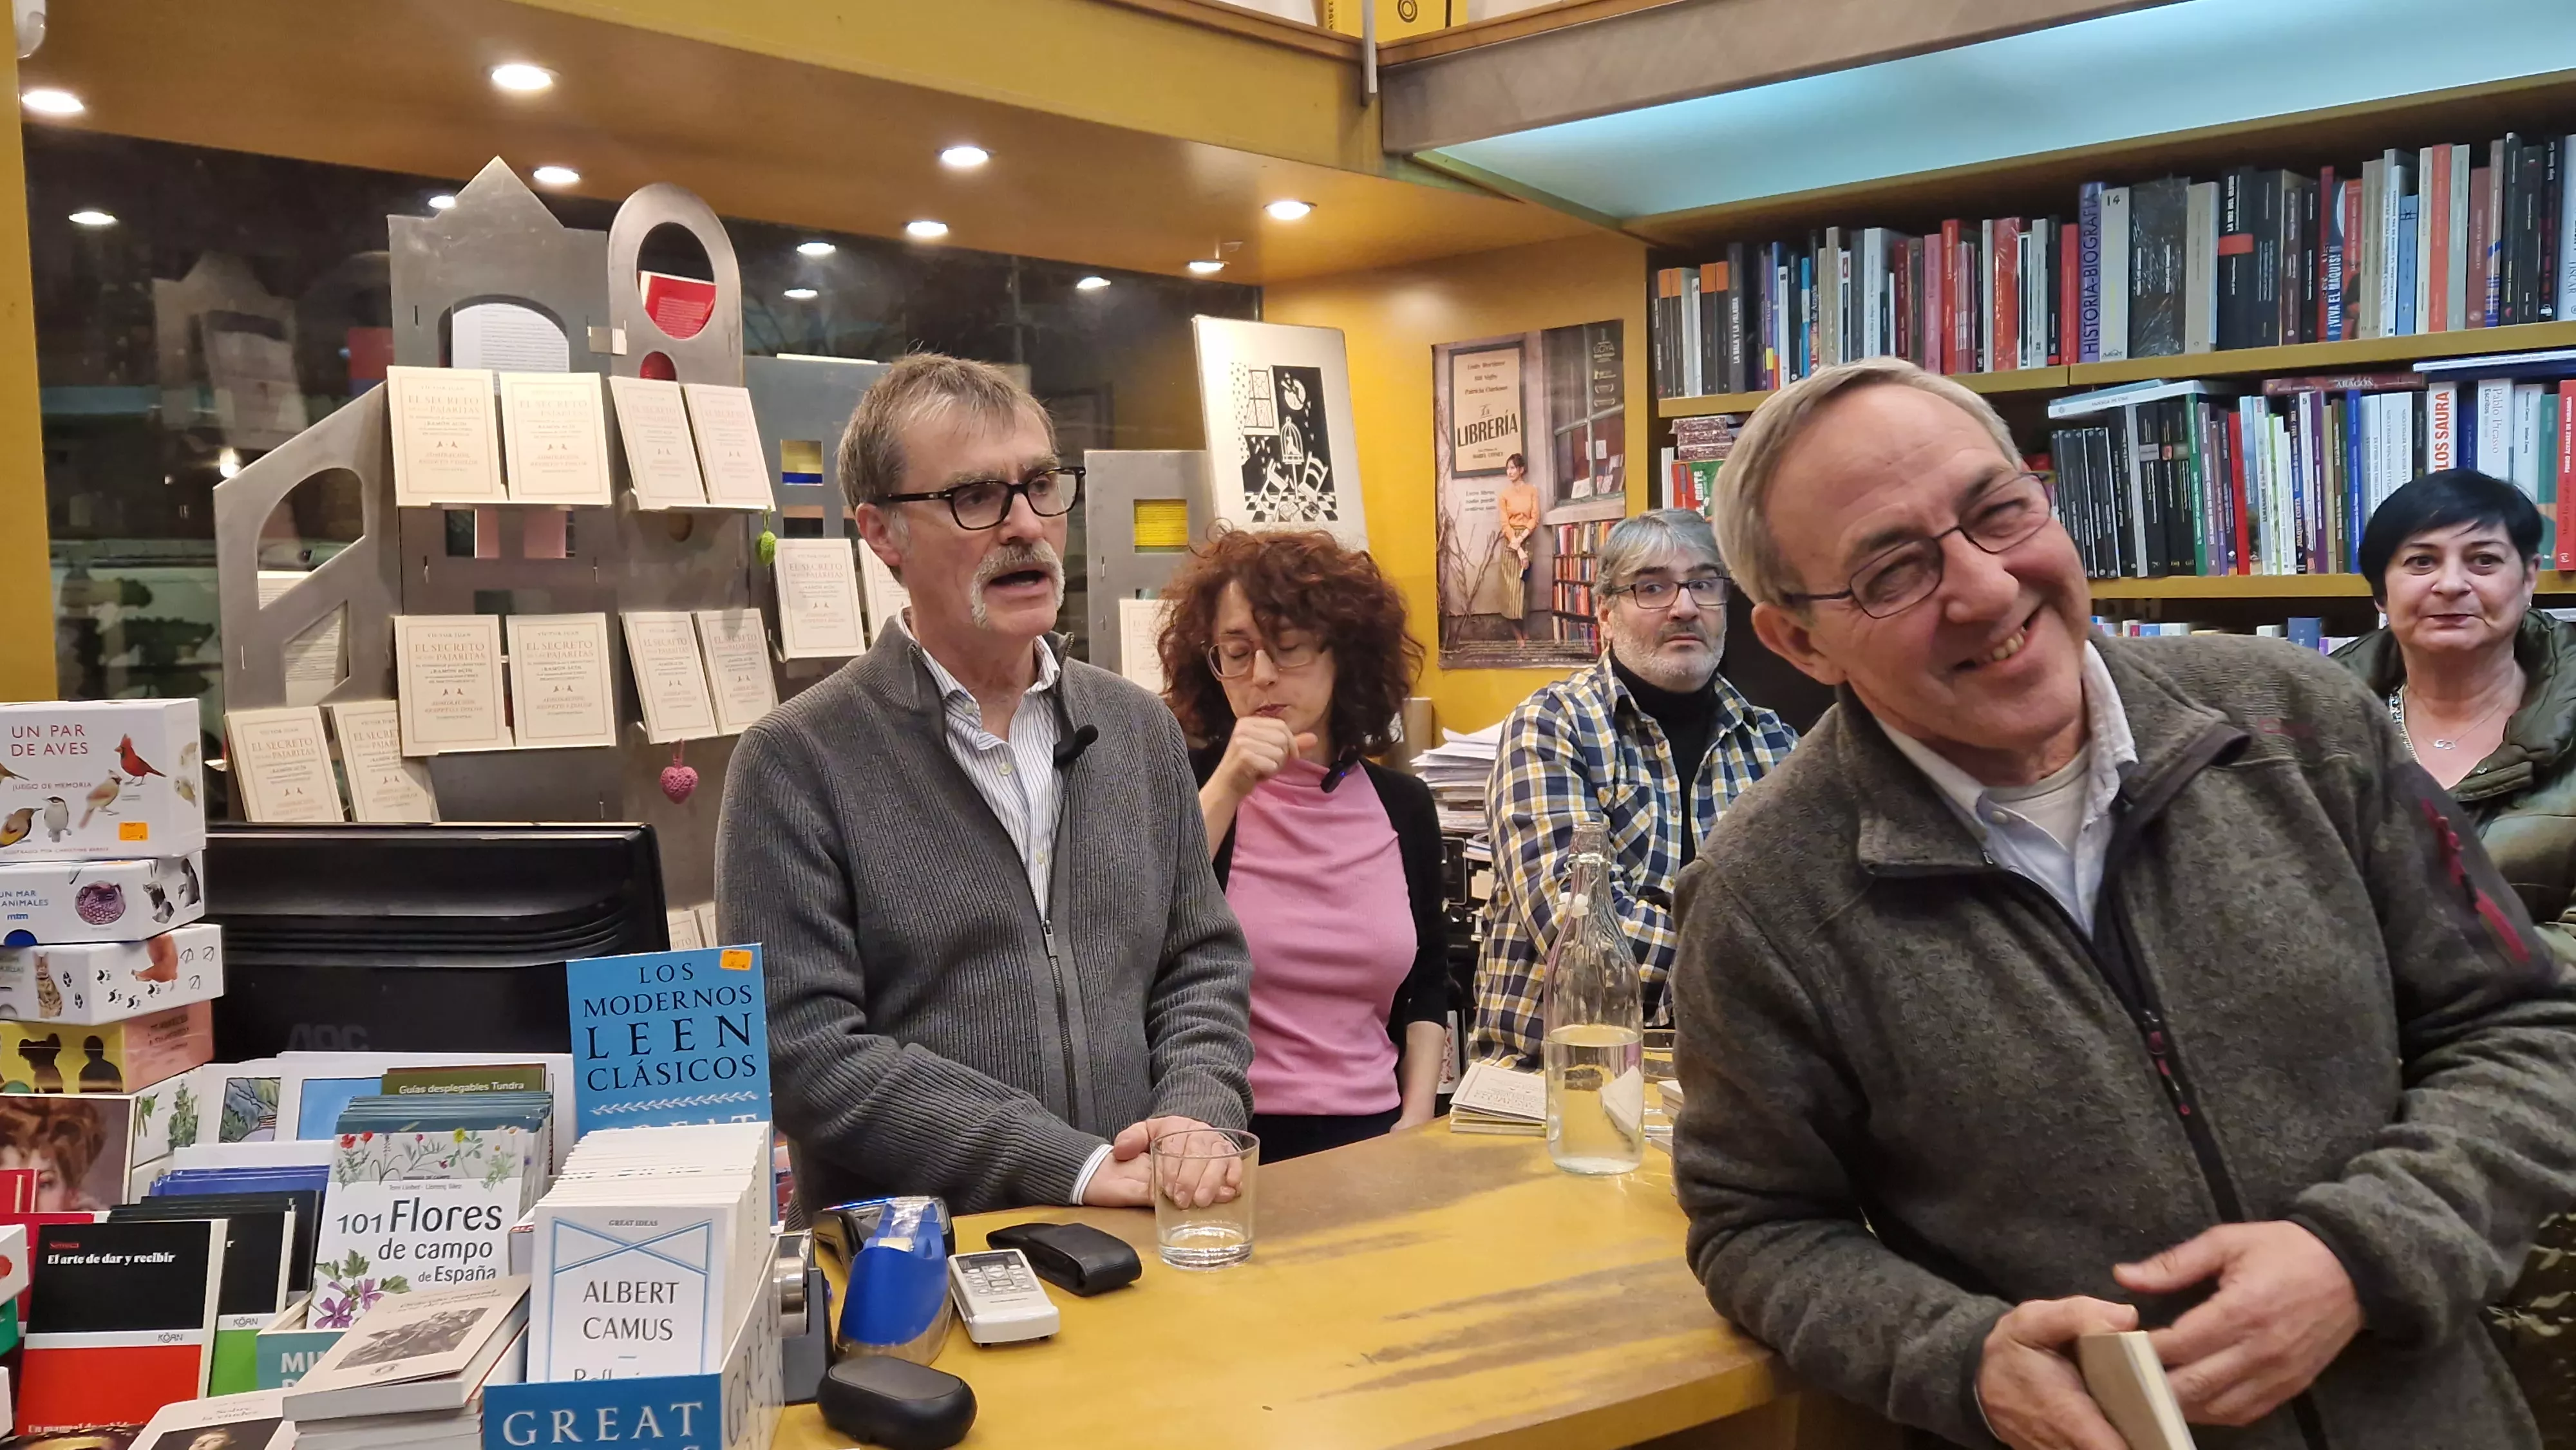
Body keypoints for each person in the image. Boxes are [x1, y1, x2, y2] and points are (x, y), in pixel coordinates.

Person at [1680, 354, 2576, 1449]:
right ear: (1798, 639)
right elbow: (1756, 1224)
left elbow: (2526, 1028)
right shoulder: (1766, 894)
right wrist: (1958, 1358)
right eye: (1892, 572)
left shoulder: (2301, 723)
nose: (1988, 587)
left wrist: (2361, 1252)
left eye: (1998, 512)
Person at [719, 352, 1255, 1218]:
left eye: (1041, 486)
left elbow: (1198, 964)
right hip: (921, 1275)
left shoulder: (1138, 730)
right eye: (976, 497)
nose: (1025, 526)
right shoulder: (797, 760)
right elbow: (803, 1051)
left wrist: (1197, 1117)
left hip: (1144, 1235)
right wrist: (1067, 1166)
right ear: (883, 533)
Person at [2331, 468, 2576, 1442]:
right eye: (2419, 561)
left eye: (2483, 559)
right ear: (2380, 592)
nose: (2451, 584)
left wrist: (2426, 991)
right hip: (2346, 1110)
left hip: (2546, 1103)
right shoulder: (2293, 726)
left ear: (2530, 579)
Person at [1155, 527, 1450, 1162]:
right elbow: (1139, 923)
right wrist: (1232, 781)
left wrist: (1417, 1113)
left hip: (1374, 1132)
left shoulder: (1402, 805)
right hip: (1217, 1133)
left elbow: (1428, 977)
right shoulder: (1183, 782)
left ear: (1342, 654)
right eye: (1236, 652)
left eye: (1286, 649)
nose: (1261, 676)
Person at [1472, 507, 1796, 1069]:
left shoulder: (1776, 747)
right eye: (1652, 587)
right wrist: (1762, 975)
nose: (1685, 606)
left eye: (1704, 584)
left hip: (1732, 1088)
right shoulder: (1552, 726)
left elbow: (1809, 924)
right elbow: (1582, 935)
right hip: (1553, 1084)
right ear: (1605, 612)